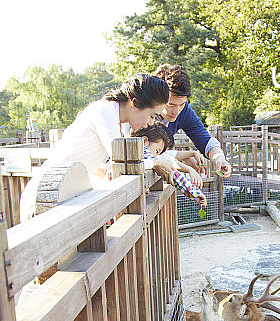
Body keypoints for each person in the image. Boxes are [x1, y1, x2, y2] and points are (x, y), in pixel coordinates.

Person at [20, 73, 175, 220]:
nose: (150, 123)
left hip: (65, 195)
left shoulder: (117, 122)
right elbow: (124, 161)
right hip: (46, 195)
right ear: (134, 103)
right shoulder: (104, 111)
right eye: (151, 116)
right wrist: (156, 163)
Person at [153, 64, 233, 177]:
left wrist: (220, 159)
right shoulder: (144, 113)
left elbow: (206, 142)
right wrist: (184, 157)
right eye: (171, 105)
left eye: (182, 104)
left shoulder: (184, 111)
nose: (176, 111)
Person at [133, 123, 207, 207]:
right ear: (145, 141)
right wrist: (195, 193)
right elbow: (172, 172)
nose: (156, 156)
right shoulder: (145, 152)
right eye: (157, 151)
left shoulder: (135, 152)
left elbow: (168, 158)